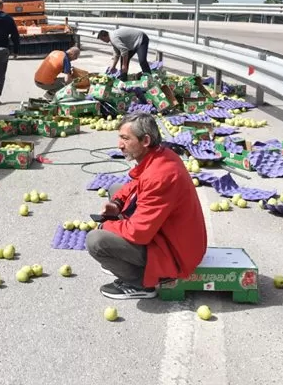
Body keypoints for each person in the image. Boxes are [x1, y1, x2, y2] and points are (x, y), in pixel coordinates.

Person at [86, 112, 207, 300]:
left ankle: (139, 283)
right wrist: (117, 204)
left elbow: (139, 233)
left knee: (96, 241)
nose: (120, 145)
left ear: (146, 140)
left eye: (126, 139)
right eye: (120, 138)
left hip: (176, 254)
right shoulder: (161, 155)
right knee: (116, 190)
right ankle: (124, 260)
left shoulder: (160, 176)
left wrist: (106, 226)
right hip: (173, 236)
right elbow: (136, 184)